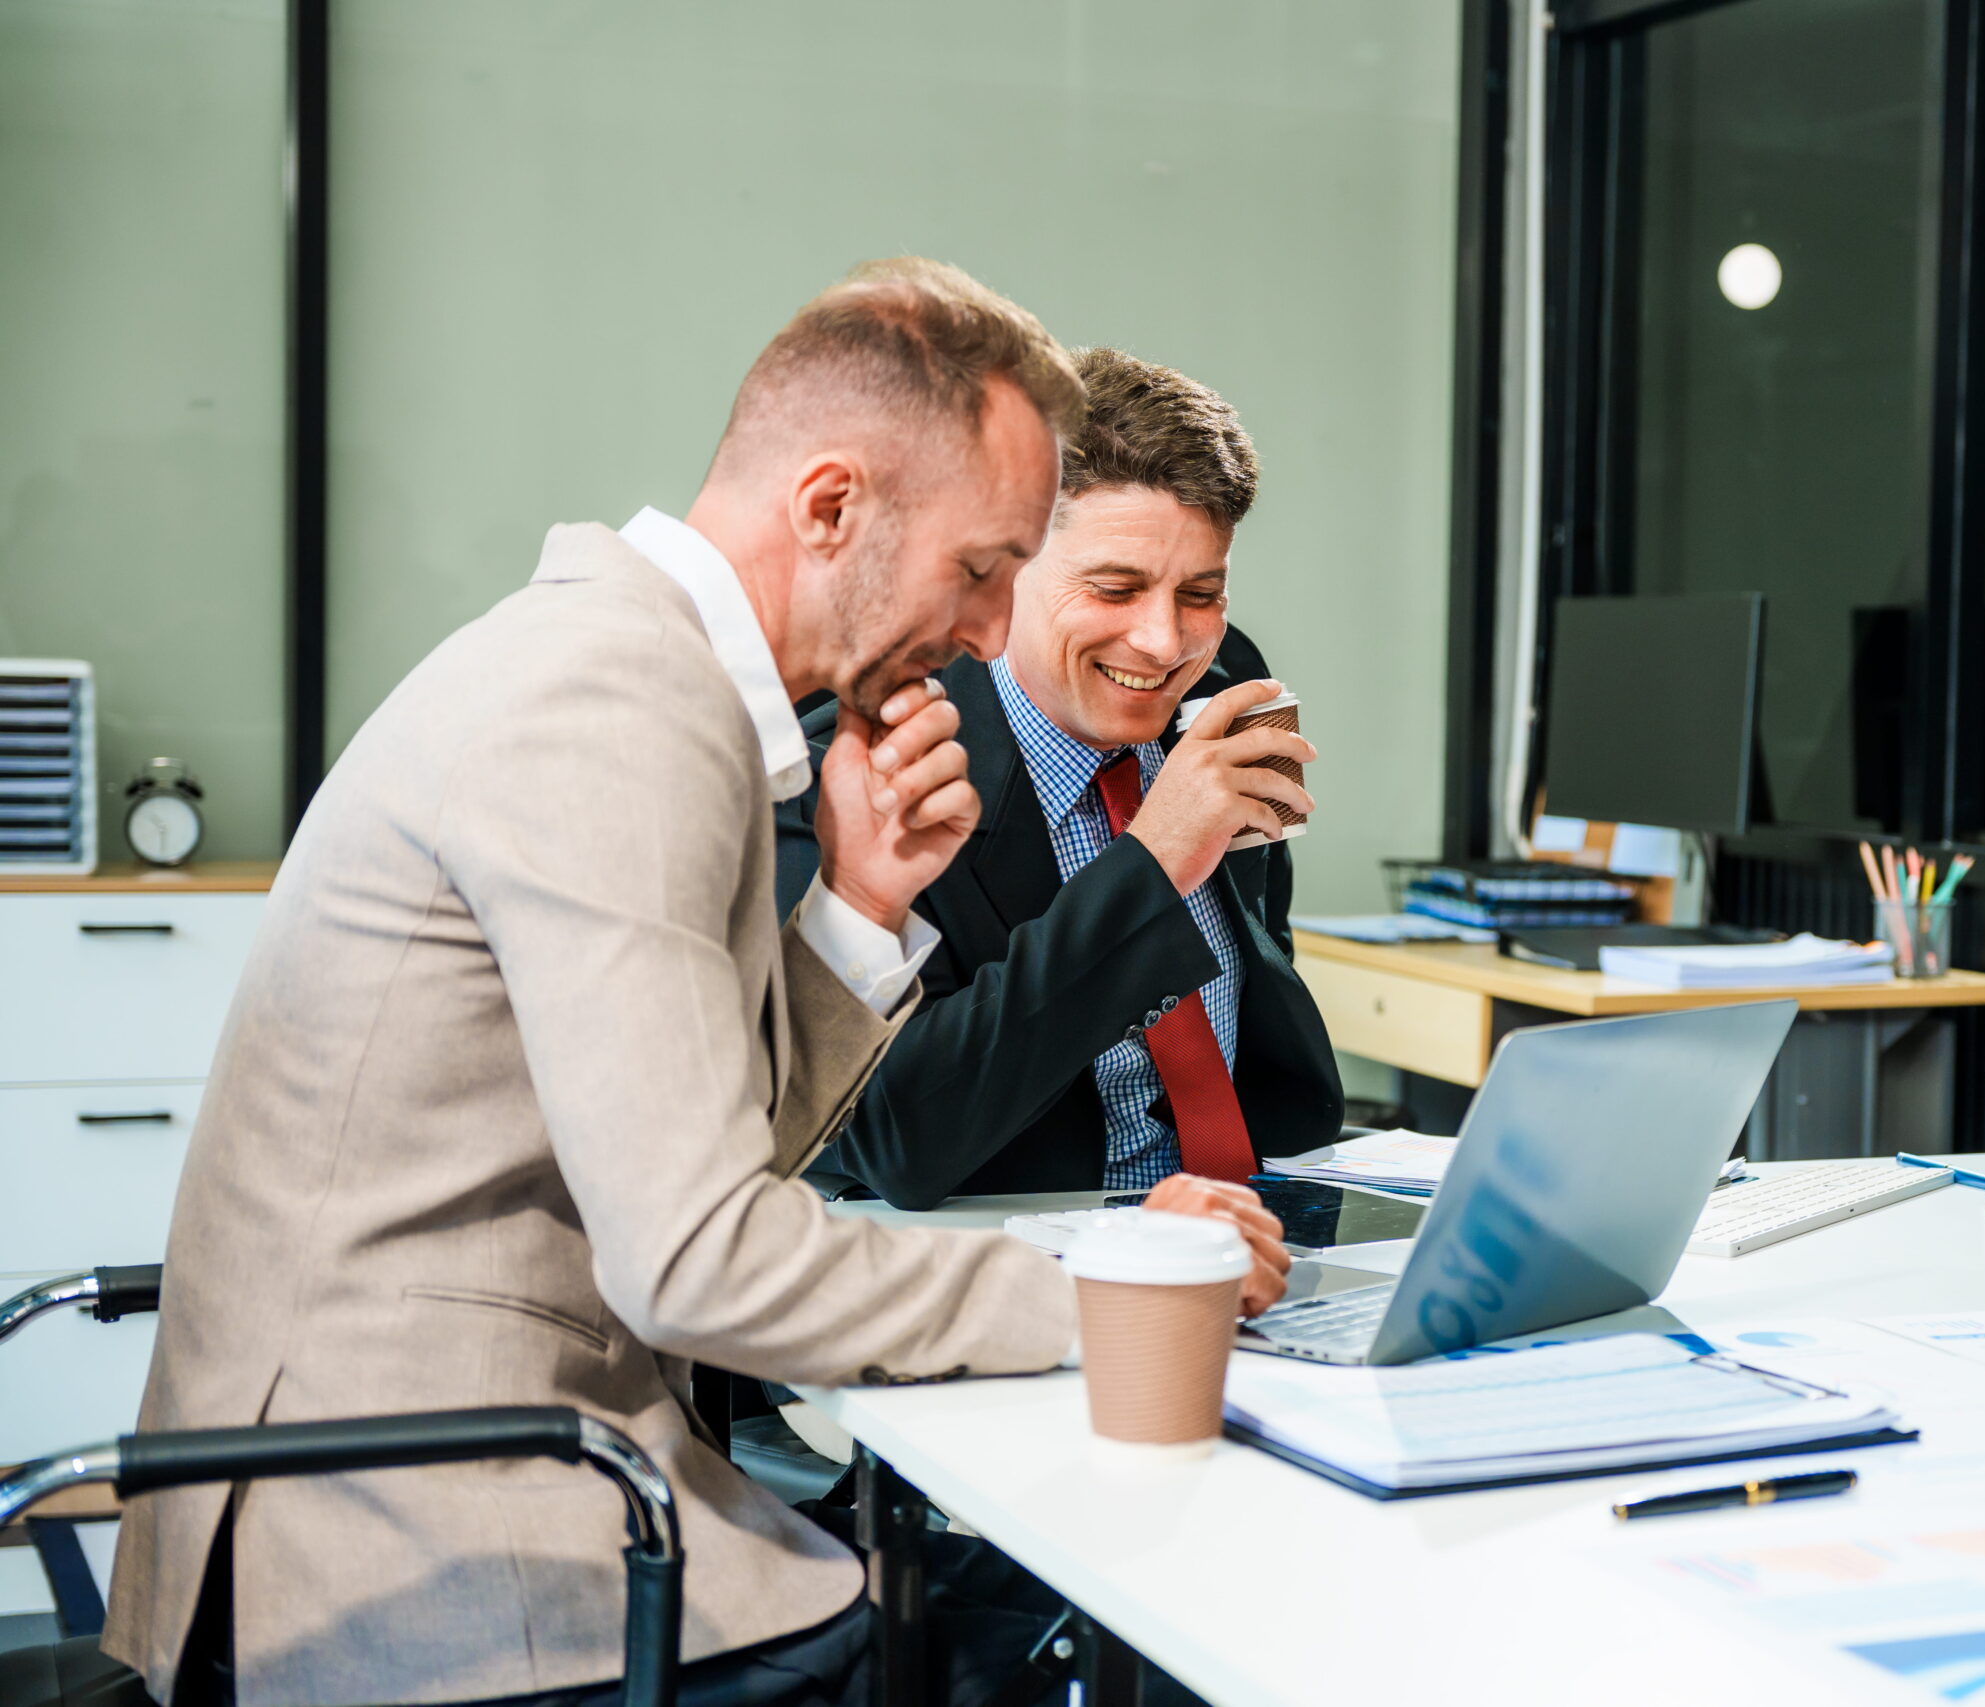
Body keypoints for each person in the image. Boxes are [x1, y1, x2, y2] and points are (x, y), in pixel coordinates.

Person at [101, 261, 1287, 1707]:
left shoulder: (627, 669)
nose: (989, 633)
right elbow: (700, 1256)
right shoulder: (616, 709)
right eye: (982, 569)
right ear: (831, 506)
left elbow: (710, 1146)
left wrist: (858, 904)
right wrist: (1112, 1287)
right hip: (418, 1532)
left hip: (447, 1460)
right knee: (1037, 1654)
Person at [776, 348, 1343, 1208]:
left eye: (1201, 591)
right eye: (1115, 588)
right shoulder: (848, 768)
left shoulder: (1221, 684)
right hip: (1000, 1265)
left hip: (1249, 1219)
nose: (1165, 642)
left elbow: (1258, 959)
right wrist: (1152, 866)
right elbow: (889, 1131)